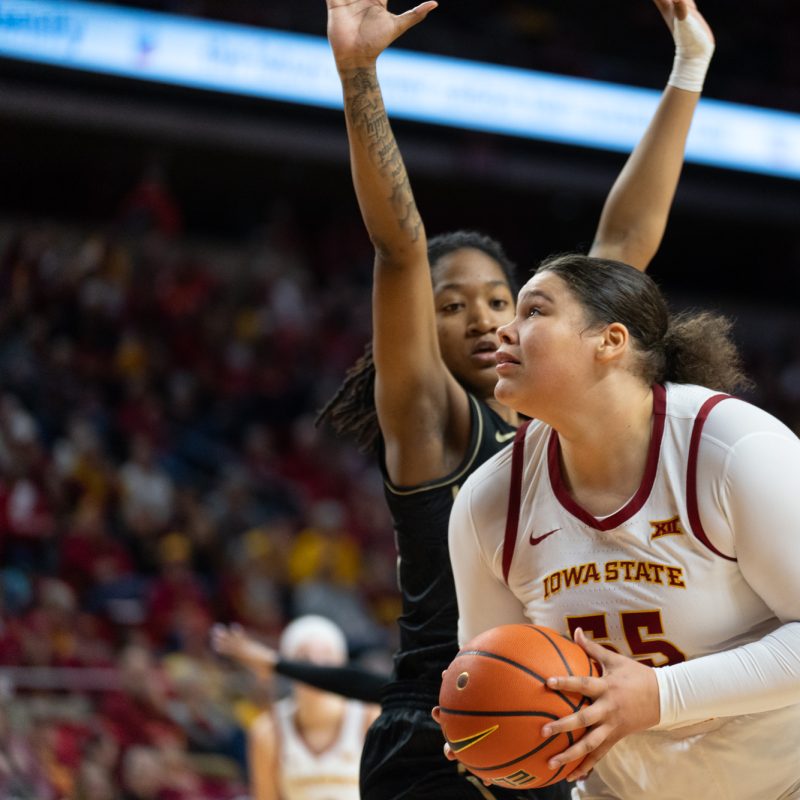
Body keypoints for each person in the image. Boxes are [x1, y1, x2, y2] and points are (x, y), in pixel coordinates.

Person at [220, 1, 716, 798]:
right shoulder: (431, 422)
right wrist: (359, 78)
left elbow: (623, 244)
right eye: (452, 307)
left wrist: (689, 65)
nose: (485, 318)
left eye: (502, 299)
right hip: (439, 732)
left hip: (555, 719)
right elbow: (398, 246)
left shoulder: (559, 410)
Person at [443, 256, 800, 799]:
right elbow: (499, 672)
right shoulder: (488, 503)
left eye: (533, 311)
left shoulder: (732, 447)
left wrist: (660, 694)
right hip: (641, 786)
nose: (505, 329)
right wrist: (492, 728)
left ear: (610, 340)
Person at [245, 616, 380, 800]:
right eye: (304, 658)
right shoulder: (268, 731)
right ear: (287, 667)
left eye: (327, 657)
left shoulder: (372, 720)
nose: (317, 667)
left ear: (342, 664)